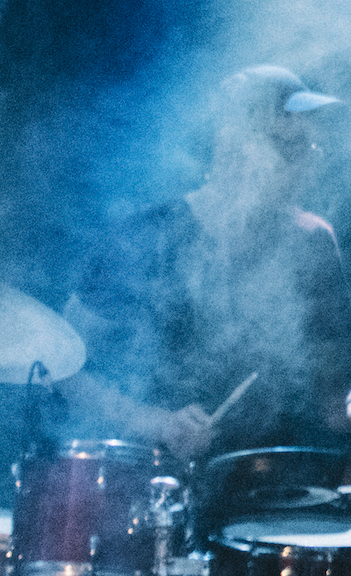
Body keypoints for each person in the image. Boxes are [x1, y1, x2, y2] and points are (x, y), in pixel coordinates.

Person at [52, 64, 351, 463]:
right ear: (235, 146)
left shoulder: (313, 241)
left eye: (309, 149)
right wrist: (155, 422)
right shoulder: (152, 234)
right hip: (164, 477)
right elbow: (59, 362)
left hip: (283, 481)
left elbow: (334, 400)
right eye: (290, 147)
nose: (308, 164)